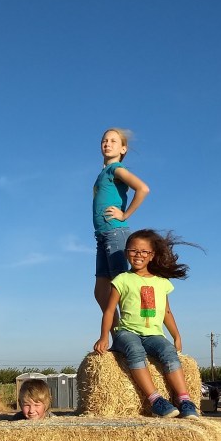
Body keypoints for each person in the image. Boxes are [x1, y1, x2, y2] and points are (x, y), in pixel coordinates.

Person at [94, 229, 199, 418]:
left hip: (153, 334)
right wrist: (104, 337)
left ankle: (185, 400)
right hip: (127, 332)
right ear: (126, 253)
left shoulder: (162, 282)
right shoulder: (122, 279)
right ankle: (155, 400)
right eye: (133, 251)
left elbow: (167, 312)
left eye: (144, 251)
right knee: (135, 350)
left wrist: (176, 335)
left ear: (152, 255)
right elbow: (109, 311)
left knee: (168, 351)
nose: (138, 255)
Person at [93, 128, 150, 316]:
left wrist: (125, 215)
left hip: (115, 233)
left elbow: (142, 188)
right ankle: (116, 331)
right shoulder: (103, 173)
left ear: (123, 149)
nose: (107, 144)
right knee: (100, 292)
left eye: (113, 141)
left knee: (121, 287)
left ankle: (131, 326)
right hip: (102, 236)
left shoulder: (115, 169)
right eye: (104, 141)